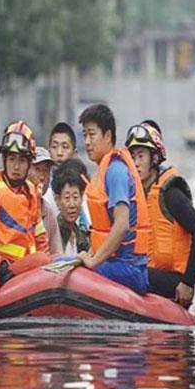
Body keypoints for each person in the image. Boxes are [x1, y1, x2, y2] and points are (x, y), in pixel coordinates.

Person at [125, 120, 195, 307]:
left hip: (175, 278)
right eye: (132, 158)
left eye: (141, 156)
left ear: (154, 159)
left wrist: (187, 282)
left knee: (128, 273)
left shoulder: (171, 194)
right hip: (150, 272)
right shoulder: (133, 197)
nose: (136, 164)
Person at [0, 120, 50, 308]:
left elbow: (40, 238)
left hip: (21, 272)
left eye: (22, 160)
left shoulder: (31, 191)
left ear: (29, 162)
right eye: (11, 159)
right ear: (4, 160)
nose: (16, 166)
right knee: (43, 260)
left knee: (54, 258)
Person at [77, 104, 150, 294]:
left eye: (91, 135)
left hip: (129, 269)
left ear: (108, 136)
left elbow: (122, 225)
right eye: (84, 135)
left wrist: (93, 261)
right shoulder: (104, 168)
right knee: (62, 262)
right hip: (117, 263)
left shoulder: (115, 171)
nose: (86, 141)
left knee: (66, 268)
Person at [52, 158, 90, 255]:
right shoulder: (53, 233)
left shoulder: (81, 234)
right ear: (57, 200)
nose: (72, 204)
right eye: (67, 198)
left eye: (75, 197)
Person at [28, 147, 62, 255]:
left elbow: (57, 252)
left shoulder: (47, 210)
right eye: (37, 169)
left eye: (46, 171)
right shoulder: (15, 204)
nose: (42, 177)